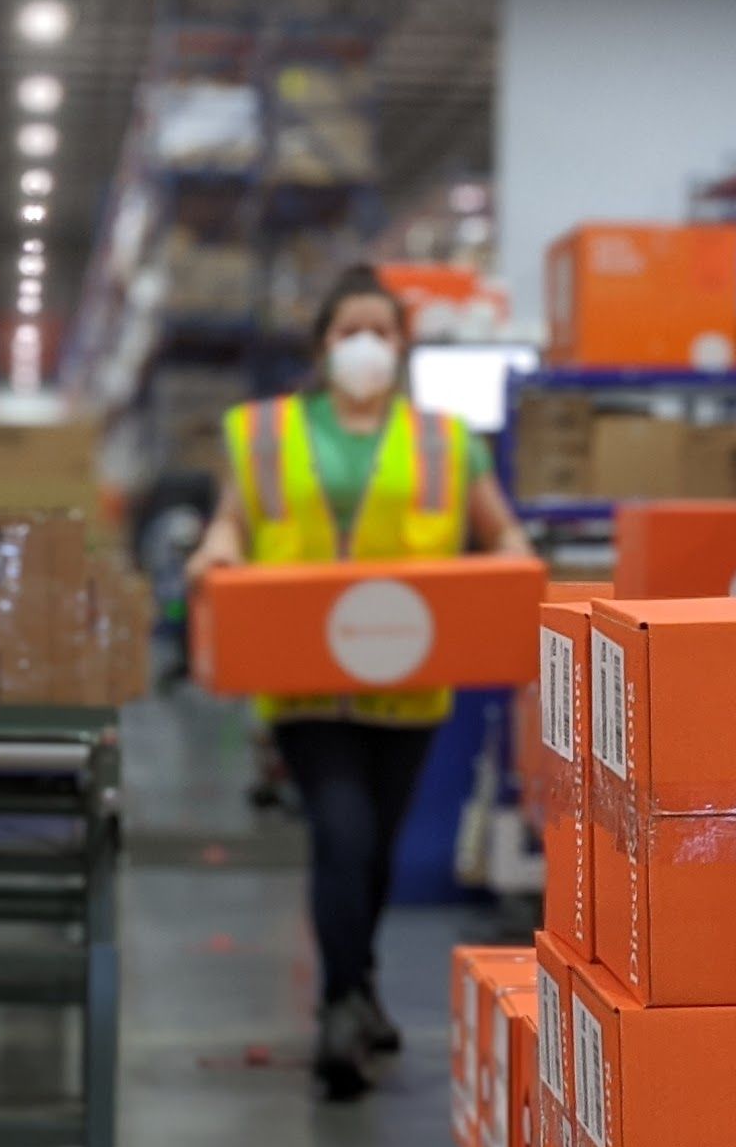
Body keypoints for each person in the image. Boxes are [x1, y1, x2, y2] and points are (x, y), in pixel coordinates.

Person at [185, 264, 533, 1101]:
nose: (367, 346)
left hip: (410, 677)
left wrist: (517, 562)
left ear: (404, 343)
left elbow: (500, 528)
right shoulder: (265, 432)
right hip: (304, 676)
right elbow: (232, 515)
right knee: (340, 832)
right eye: (350, 331)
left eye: (382, 330)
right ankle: (339, 1006)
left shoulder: (446, 440)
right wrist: (217, 547)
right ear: (322, 346)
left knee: (374, 846)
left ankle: (363, 980)